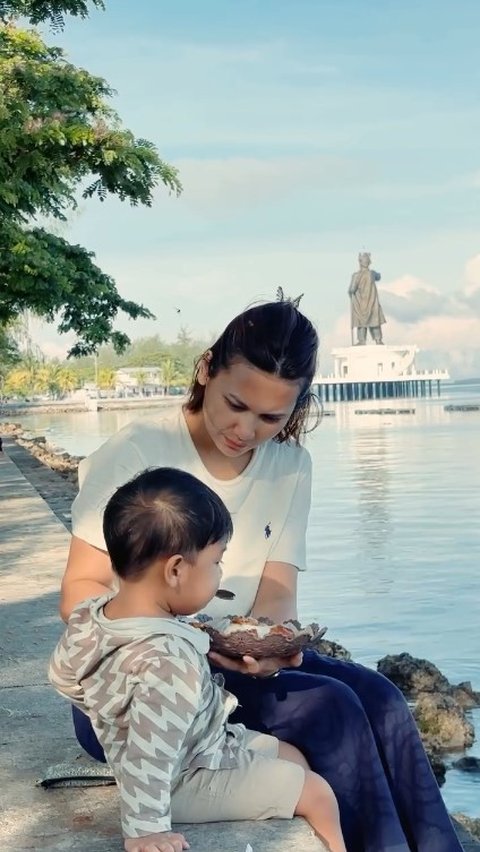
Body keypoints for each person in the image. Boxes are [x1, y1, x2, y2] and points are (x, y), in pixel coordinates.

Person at [60, 295, 463, 852]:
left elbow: (276, 595)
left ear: (296, 409)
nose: (246, 429)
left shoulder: (291, 466)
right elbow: (79, 593)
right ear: (206, 370)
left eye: (271, 417)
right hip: (146, 688)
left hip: (237, 664)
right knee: (334, 711)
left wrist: (267, 646)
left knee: (384, 699)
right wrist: (195, 640)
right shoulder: (137, 450)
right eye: (236, 404)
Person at [50, 467, 347, 852]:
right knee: (318, 793)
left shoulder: (96, 613)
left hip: (200, 746)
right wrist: (145, 830)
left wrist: (107, 711)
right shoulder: (169, 661)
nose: (220, 574)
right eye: (217, 561)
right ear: (175, 570)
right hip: (181, 780)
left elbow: (60, 674)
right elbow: (149, 755)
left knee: (291, 756)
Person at [348, 252, 386, 345]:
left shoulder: (356, 275)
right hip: (372, 302)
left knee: (362, 322)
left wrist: (351, 294)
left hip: (362, 304)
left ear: (360, 262)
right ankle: (378, 340)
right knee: (374, 321)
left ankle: (362, 340)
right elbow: (379, 276)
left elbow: (352, 289)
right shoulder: (372, 274)